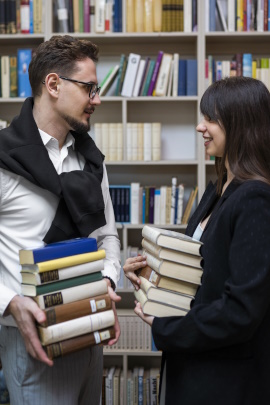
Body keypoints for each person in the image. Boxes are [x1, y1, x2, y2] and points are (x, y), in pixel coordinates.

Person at [124, 76, 270, 404]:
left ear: (241, 124)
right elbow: (202, 274)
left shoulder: (256, 200)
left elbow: (241, 312)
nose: (199, 127)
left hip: (226, 380)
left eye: (211, 119)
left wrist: (165, 326)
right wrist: (153, 273)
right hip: (194, 365)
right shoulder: (216, 190)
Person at [0, 35, 121, 405]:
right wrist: (9, 302)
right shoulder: (3, 157)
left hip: (91, 333)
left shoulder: (91, 160)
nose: (96, 99)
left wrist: (106, 282)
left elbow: (108, 238)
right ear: (53, 84)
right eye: (89, 88)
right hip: (33, 343)